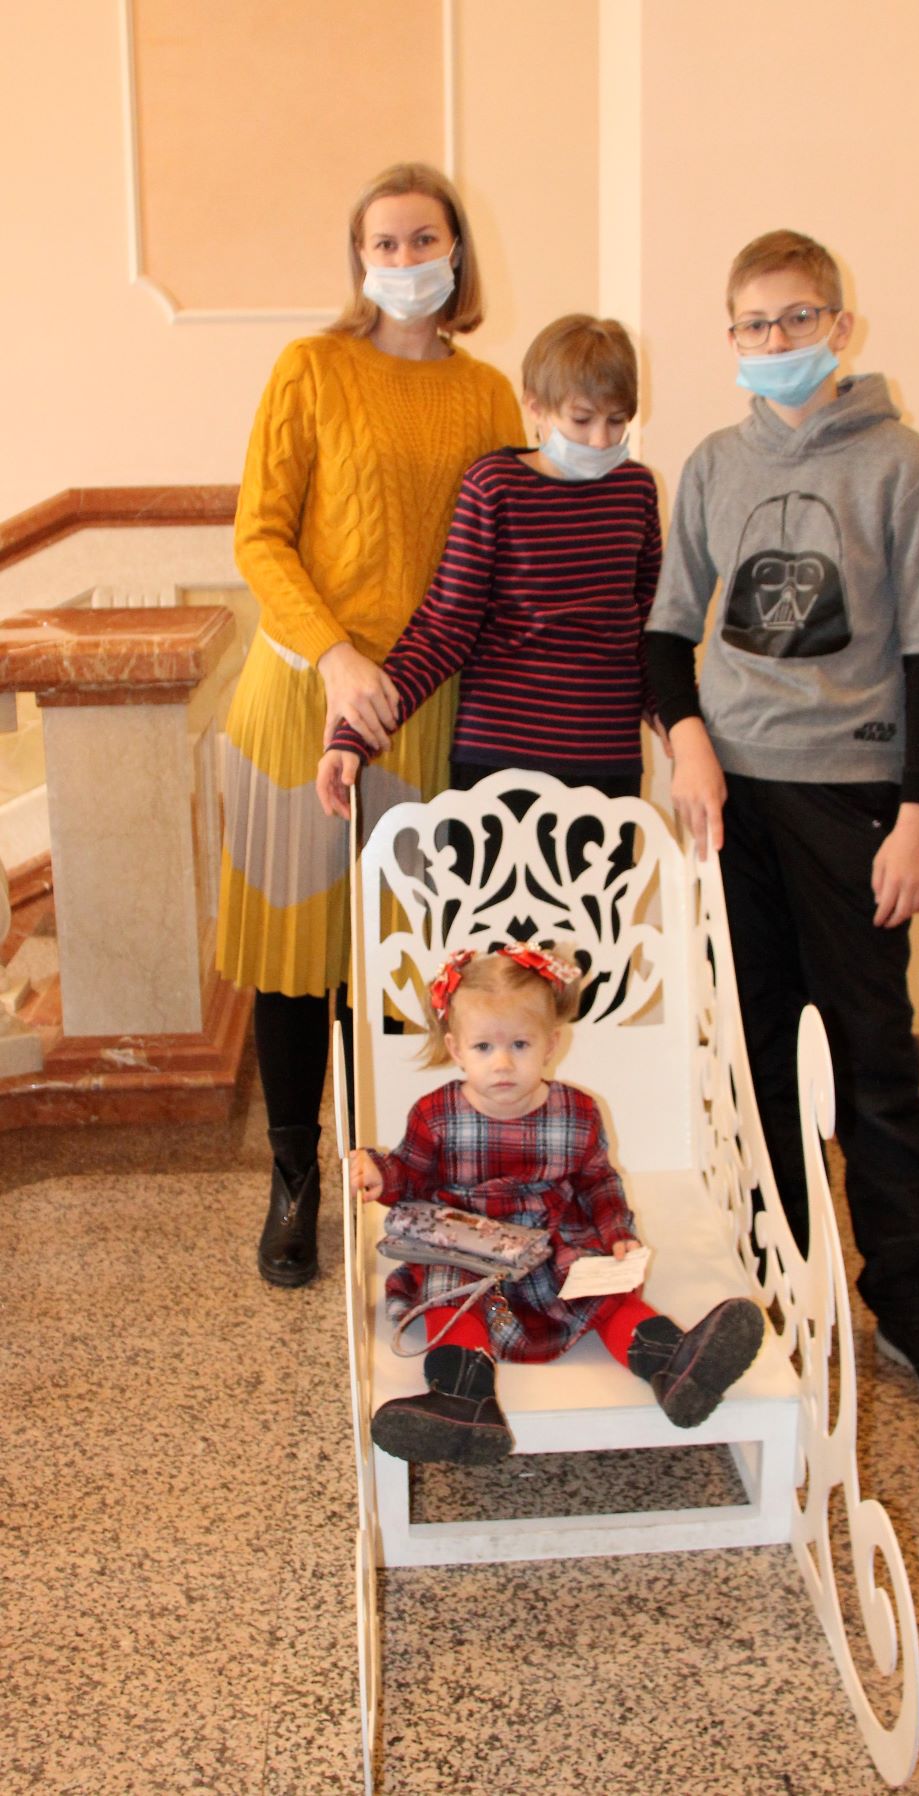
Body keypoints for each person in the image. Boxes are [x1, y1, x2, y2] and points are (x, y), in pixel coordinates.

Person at [644, 229, 919, 1412]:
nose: (776, 339)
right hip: (731, 802)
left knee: (871, 1056)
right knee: (755, 1052)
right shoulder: (711, 464)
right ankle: (786, 1281)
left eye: (797, 318)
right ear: (731, 337)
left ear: (840, 326)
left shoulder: (904, 465)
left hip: (855, 798)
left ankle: (912, 1303)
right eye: (755, 323)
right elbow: (666, 632)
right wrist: (687, 739)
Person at [216, 162, 523, 1290]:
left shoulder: (489, 395)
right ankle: (294, 1181)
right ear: (359, 260)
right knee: (296, 959)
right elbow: (259, 535)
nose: (403, 260)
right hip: (302, 702)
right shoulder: (311, 367)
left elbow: (505, 555)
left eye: (422, 239)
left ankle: (386, 1177)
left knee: (396, 966)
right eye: (382, 243)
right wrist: (337, 655)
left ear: (457, 252)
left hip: (425, 714)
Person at [350, 946, 765, 1464]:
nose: (502, 1063)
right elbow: (409, 1174)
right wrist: (379, 1173)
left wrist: (616, 1231)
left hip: (552, 1243)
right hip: (467, 1246)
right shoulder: (435, 1114)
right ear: (456, 1048)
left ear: (551, 1043)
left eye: (520, 1044)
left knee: (600, 1290)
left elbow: (597, 1180)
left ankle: (672, 1363)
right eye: (483, 1047)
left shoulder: (576, 1111)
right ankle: (463, 1399)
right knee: (449, 1293)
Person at [315, 313, 663, 815]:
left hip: (605, 759)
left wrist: (677, 720)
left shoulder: (636, 490)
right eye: (582, 420)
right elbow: (444, 628)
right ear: (536, 407)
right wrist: (354, 737)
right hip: (498, 759)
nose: (601, 441)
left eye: (617, 421)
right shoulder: (495, 485)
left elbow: (652, 626)